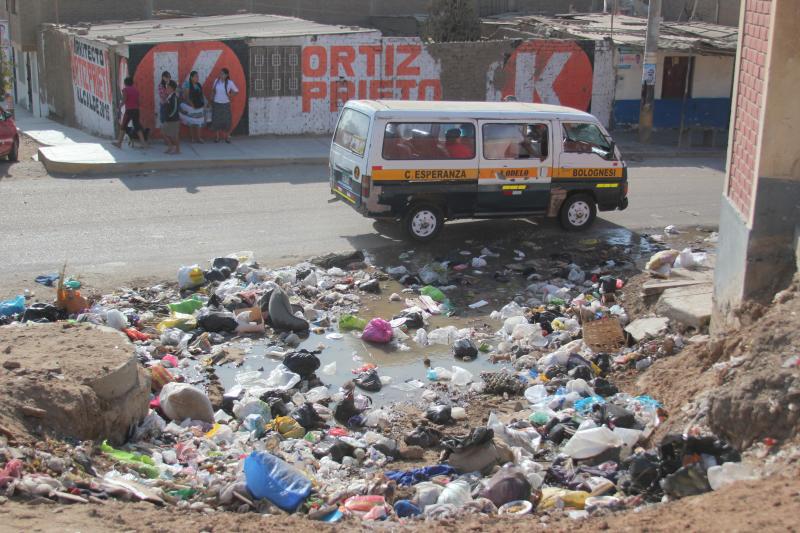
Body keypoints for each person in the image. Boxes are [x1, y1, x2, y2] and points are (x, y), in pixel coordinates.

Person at [112, 77, 147, 149]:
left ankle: (119, 143)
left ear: (125, 83)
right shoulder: (136, 90)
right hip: (136, 110)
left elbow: (124, 99)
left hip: (129, 110)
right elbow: (138, 101)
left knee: (123, 126)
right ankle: (143, 143)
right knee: (137, 126)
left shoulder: (125, 90)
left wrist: (119, 107)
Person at [210, 68, 238, 143]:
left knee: (227, 121)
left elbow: (236, 91)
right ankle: (217, 137)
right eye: (220, 73)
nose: (220, 75)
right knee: (216, 120)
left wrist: (230, 95)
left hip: (226, 104)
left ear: (226, 75)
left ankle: (227, 137)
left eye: (222, 74)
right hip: (217, 103)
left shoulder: (229, 82)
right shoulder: (216, 81)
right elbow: (213, 91)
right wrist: (211, 99)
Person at [180, 71, 206, 144]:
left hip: (199, 107)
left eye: (198, 76)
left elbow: (201, 95)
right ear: (191, 77)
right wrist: (192, 105)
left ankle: (199, 138)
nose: (197, 78)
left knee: (199, 122)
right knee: (192, 122)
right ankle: (193, 138)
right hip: (191, 106)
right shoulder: (187, 84)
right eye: (195, 76)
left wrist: (203, 104)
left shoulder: (198, 85)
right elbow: (186, 97)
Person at [160, 80, 181, 155]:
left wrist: (169, 117)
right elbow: (168, 106)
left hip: (173, 120)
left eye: (168, 87)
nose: (166, 89)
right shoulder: (169, 96)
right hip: (168, 119)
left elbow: (175, 109)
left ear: (172, 88)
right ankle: (171, 146)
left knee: (174, 135)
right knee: (163, 132)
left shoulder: (174, 97)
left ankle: (177, 149)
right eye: (166, 87)